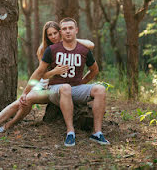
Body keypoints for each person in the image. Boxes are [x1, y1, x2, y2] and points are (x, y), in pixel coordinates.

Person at [0, 21, 94, 136]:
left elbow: (91, 45)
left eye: (55, 33)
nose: (53, 37)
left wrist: (70, 37)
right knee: (21, 102)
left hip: (64, 87)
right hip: (46, 84)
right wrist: (54, 72)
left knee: (25, 100)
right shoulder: (44, 49)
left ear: (60, 32)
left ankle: (9, 124)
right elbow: (42, 74)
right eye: (50, 35)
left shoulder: (73, 46)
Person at [20, 18, 109, 146]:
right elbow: (39, 72)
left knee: (100, 89)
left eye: (70, 28)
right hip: (56, 90)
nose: (68, 31)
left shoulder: (83, 50)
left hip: (75, 89)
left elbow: (94, 70)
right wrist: (25, 92)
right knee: (65, 87)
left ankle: (97, 133)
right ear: (61, 32)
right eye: (65, 29)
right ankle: (70, 132)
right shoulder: (52, 50)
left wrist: (83, 82)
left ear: (76, 30)